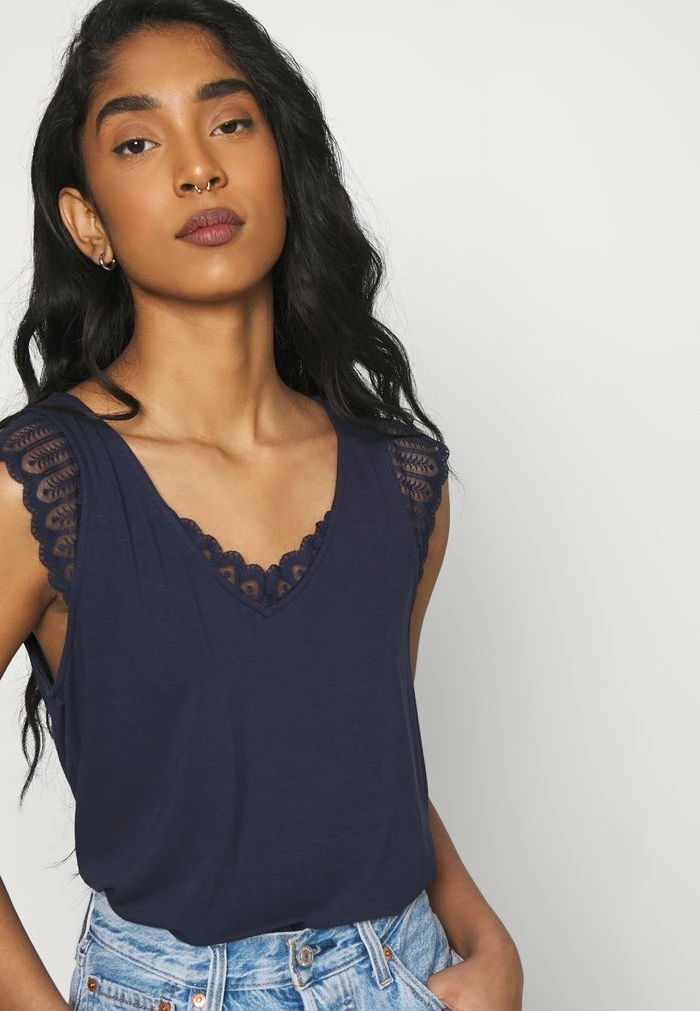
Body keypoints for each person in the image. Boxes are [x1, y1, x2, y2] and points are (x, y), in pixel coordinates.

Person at [0, 1, 524, 1008]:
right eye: (139, 141)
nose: (198, 168)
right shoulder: (42, 485)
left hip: (402, 971)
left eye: (230, 123)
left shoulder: (402, 480)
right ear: (87, 221)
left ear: (283, 163)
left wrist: (484, 938)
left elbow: (370, 770)